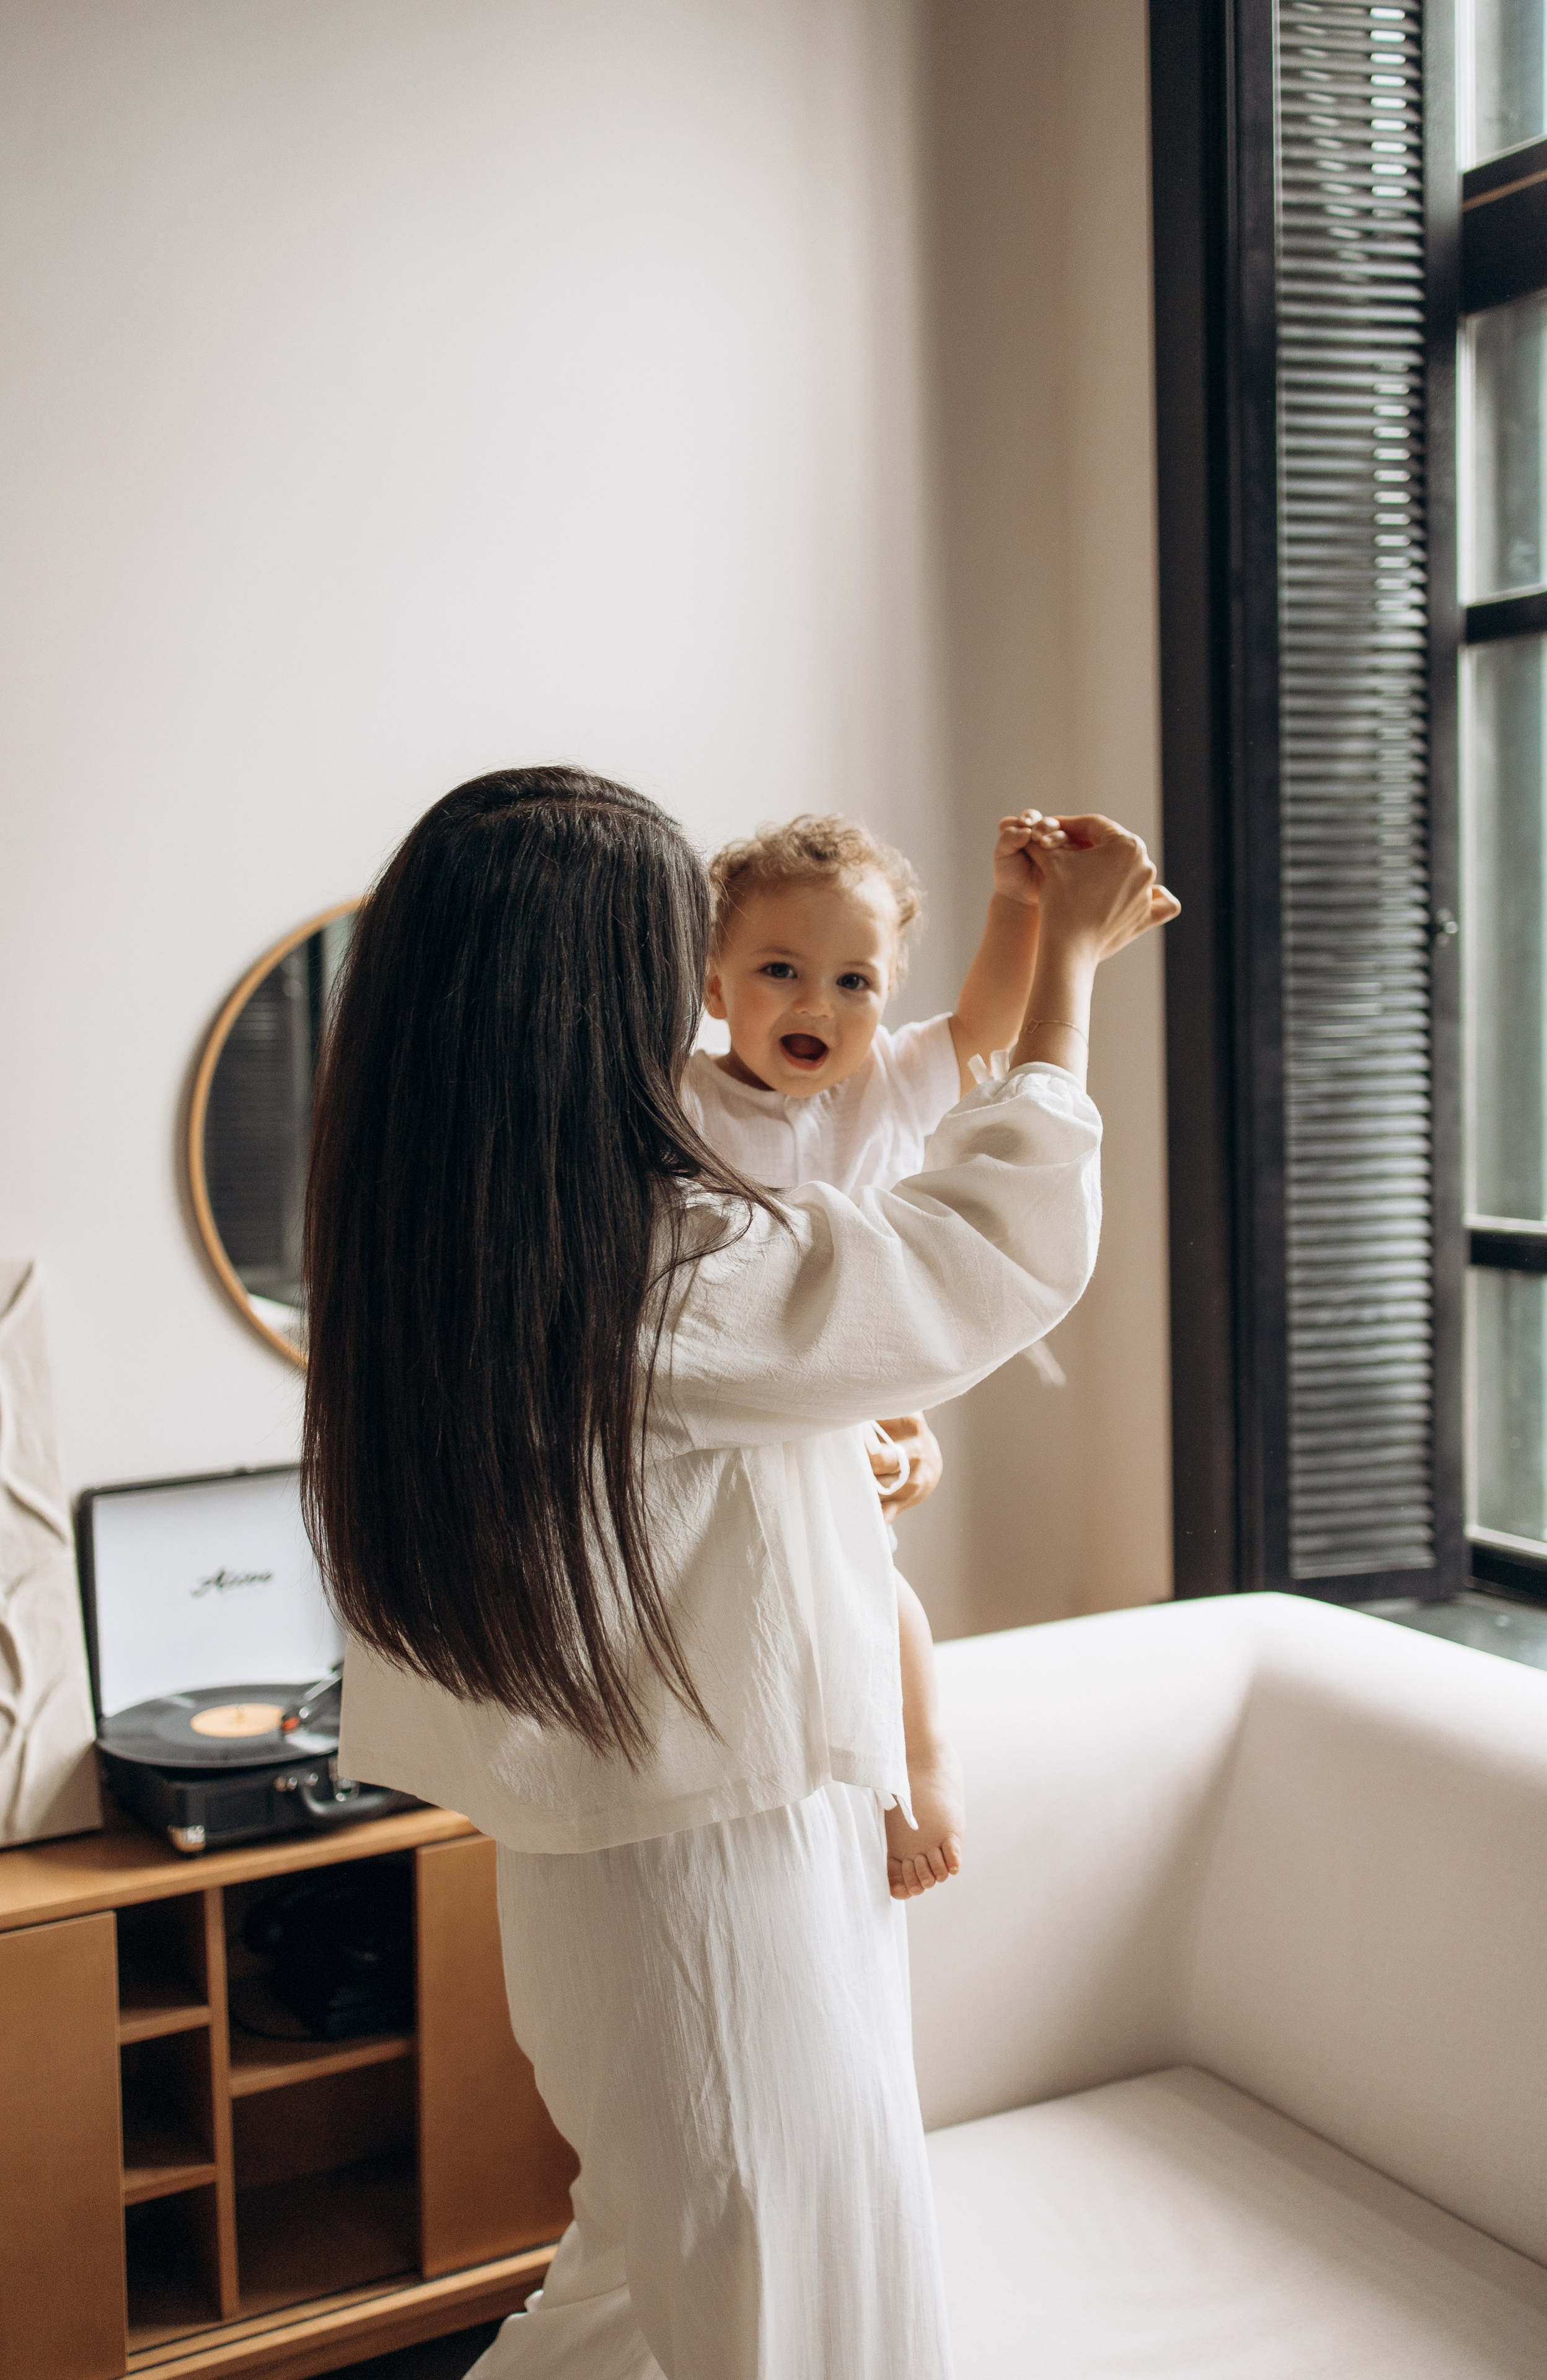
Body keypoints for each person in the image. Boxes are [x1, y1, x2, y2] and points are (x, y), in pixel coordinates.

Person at [309, 766, 1177, 2380]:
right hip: (716, 1867)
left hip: (668, 1843)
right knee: (800, 2319)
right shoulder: (634, 1252)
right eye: (686, 964)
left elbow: (679, 1470)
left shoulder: (477, 1232)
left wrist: (841, 1453)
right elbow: (983, 1258)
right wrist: (1061, 962)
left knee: (645, 2296)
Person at [684, 808, 1073, 1900]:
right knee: (758, 1592)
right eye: (780, 970)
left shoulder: (892, 1082)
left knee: (870, 1585)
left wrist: (1020, 902)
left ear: (889, 995)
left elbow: (994, 1013)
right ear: (717, 987)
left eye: (856, 982)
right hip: (735, 1387)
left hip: (852, 1381)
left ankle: (918, 1760)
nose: (818, 1003)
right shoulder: (680, 1098)